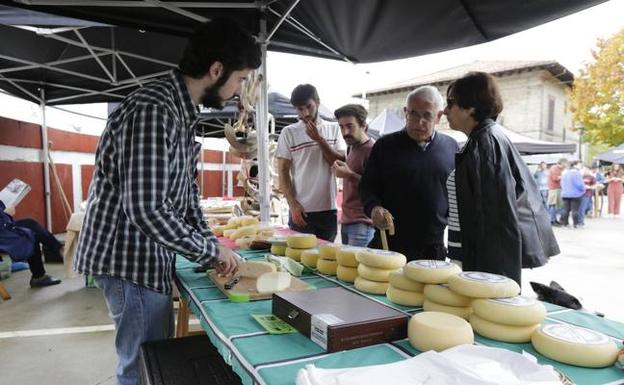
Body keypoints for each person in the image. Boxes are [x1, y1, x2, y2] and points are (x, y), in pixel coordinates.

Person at [74, 19, 259, 385]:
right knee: (142, 368)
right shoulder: (154, 110)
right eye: (240, 79)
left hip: (143, 257)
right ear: (216, 70)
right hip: (129, 262)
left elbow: (186, 199)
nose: (239, 92)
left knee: (152, 362)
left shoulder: (178, 112)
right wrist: (209, 253)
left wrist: (211, 243)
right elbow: (147, 208)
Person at [444, 71, 558, 285]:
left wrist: (492, 281)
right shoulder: (484, 139)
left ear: (470, 107)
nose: (445, 111)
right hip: (471, 257)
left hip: (481, 266)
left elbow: (497, 220)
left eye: (451, 103)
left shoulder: (486, 143)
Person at [360, 86, 458, 259]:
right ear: (405, 112)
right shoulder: (385, 146)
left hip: (433, 248)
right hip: (389, 244)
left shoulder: (451, 147)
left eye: (427, 115)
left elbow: (457, 195)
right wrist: (374, 208)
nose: (419, 122)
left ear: (438, 116)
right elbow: (367, 186)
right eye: (413, 114)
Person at [277, 84, 347, 241]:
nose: (306, 113)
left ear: (318, 102)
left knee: (326, 260)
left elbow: (339, 163)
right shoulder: (289, 132)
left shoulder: (334, 129)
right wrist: (292, 205)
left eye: (309, 107)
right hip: (300, 210)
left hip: (328, 208)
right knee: (299, 260)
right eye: (300, 109)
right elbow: (282, 171)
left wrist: (319, 139)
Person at [331, 104, 376, 247]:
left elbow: (376, 188)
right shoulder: (352, 147)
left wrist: (349, 175)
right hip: (347, 221)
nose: (345, 132)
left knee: (355, 268)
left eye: (350, 126)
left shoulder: (373, 150)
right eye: (342, 127)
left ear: (364, 125)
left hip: (363, 223)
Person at [0, 200, 62, 287]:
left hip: (3, 228)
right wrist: (6, 214)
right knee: (29, 234)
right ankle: (59, 252)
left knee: (30, 224)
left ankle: (58, 250)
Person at [560, 161, 585, 228]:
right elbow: (579, 184)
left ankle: (565, 224)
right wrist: (583, 189)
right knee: (575, 210)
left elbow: (561, 184)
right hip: (575, 194)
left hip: (565, 194)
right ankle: (575, 224)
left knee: (565, 209)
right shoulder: (576, 173)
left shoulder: (564, 173)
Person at [547, 158, 568, 225]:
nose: (565, 166)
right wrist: (563, 176)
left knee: (557, 205)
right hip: (554, 189)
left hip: (557, 189)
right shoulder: (554, 168)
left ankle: (554, 219)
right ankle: (552, 220)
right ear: (561, 163)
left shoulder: (560, 169)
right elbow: (555, 178)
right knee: (554, 205)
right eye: (565, 164)